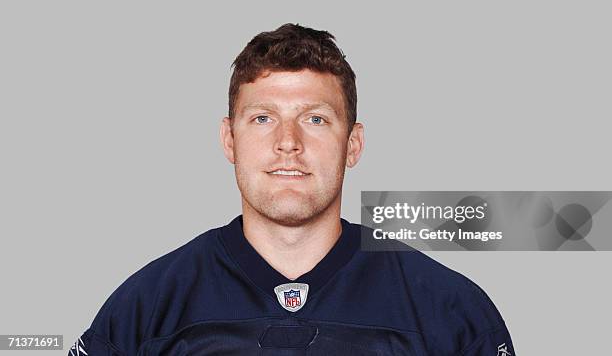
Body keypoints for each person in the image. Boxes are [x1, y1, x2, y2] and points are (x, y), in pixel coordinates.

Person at [70, 23, 516, 355]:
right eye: (263, 118)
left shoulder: (450, 313)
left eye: (315, 119)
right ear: (229, 139)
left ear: (352, 144)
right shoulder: (147, 309)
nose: (288, 142)